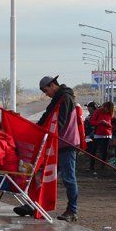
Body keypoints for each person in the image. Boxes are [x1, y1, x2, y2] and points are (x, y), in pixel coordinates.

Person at [15, 75, 84, 222]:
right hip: (56, 145)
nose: (46, 94)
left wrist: (46, 137)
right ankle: (33, 205)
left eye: (46, 91)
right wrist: (35, 130)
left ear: (53, 85)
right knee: (42, 176)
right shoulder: (57, 99)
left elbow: (60, 123)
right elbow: (46, 117)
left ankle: (72, 211)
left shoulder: (65, 98)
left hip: (67, 145)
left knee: (69, 179)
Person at [89, 101, 115, 173]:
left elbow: (113, 125)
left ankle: (103, 166)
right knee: (94, 150)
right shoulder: (98, 112)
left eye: (108, 109)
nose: (106, 110)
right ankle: (92, 165)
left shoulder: (111, 113)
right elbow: (92, 122)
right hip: (98, 134)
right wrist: (99, 122)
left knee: (104, 151)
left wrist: (107, 124)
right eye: (106, 108)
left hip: (107, 135)